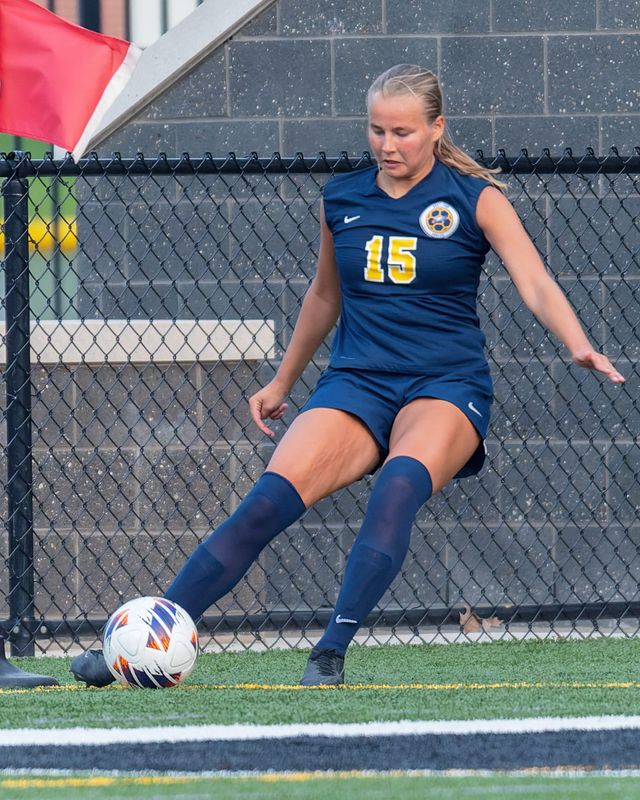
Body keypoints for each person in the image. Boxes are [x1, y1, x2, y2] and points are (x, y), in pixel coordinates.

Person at [71, 64, 624, 688]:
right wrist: (282, 382)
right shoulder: (344, 198)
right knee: (263, 505)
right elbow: (323, 298)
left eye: (404, 133)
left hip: (445, 386)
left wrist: (578, 343)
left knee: (396, 488)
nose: (388, 146)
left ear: (437, 129)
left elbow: (535, 282)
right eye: (377, 130)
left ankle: (330, 652)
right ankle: (145, 642)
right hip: (358, 381)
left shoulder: (475, 198)